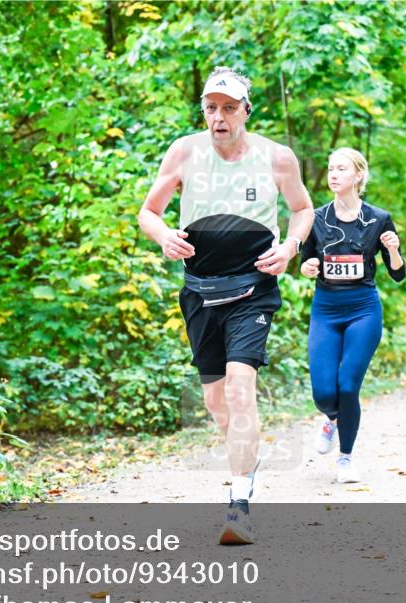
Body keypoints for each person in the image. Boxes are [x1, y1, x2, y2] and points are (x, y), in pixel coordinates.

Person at [138, 66, 313, 545]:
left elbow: (302, 209)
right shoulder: (183, 151)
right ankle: (246, 456)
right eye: (211, 108)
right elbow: (149, 212)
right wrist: (164, 236)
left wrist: (291, 247)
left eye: (229, 108)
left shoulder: (277, 158)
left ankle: (239, 505)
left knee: (239, 389)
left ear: (246, 111)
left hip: (253, 290)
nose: (219, 117)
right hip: (199, 291)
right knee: (216, 402)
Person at [300, 148, 405, 484]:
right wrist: (307, 267)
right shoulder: (316, 218)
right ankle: (331, 419)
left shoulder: (378, 219)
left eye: (341, 169)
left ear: (358, 175)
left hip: (363, 309)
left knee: (347, 386)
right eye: (331, 168)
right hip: (326, 309)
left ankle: (345, 459)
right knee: (323, 393)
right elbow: (305, 261)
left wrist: (393, 249)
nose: (333, 174)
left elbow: (398, 274)